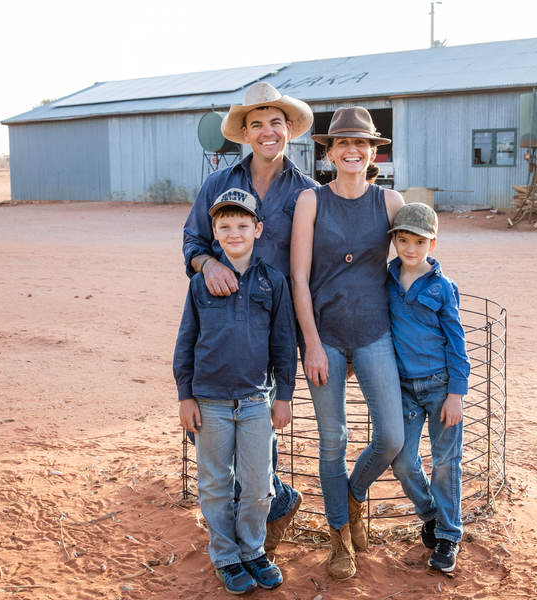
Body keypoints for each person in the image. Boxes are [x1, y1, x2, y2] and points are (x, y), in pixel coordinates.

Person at [183, 81, 317, 551]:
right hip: (226, 321)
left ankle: (262, 512)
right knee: (231, 414)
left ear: (288, 130)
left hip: (279, 318)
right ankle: (263, 513)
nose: (267, 132)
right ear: (243, 132)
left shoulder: (307, 192)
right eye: (256, 123)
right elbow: (192, 243)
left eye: (275, 123)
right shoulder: (219, 185)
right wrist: (209, 263)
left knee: (262, 413)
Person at [290, 107, 405, 580]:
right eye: (343, 143)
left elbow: (413, 260)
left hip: (376, 332)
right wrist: (312, 344)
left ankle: (353, 496)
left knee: (391, 438)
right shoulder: (311, 202)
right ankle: (339, 535)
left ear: (374, 151)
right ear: (329, 151)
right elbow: (298, 277)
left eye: (362, 143)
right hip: (327, 337)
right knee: (332, 440)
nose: (353, 151)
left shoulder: (391, 201)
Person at [174, 191, 297, 595]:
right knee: (214, 482)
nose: (234, 233)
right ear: (214, 232)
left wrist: (284, 396)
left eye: (243, 225)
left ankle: (253, 549)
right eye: (224, 226)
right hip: (209, 400)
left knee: (258, 482)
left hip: (255, 401)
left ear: (258, 229)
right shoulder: (200, 285)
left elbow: (282, 342)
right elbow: (186, 341)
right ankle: (225, 555)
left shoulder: (272, 282)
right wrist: (185, 395)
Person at [387, 203, 471, 574]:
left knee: (445, 461)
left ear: (432, 244)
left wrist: (456, 394)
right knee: (402, 459)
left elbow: (457, 340)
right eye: (402, 240)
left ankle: (449, 535)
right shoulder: (386, 279)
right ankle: (431, 515)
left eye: (419, 241)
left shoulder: (442, 287)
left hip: (439, 387)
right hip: (403, 387)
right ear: (394, 241)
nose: (410, 248)